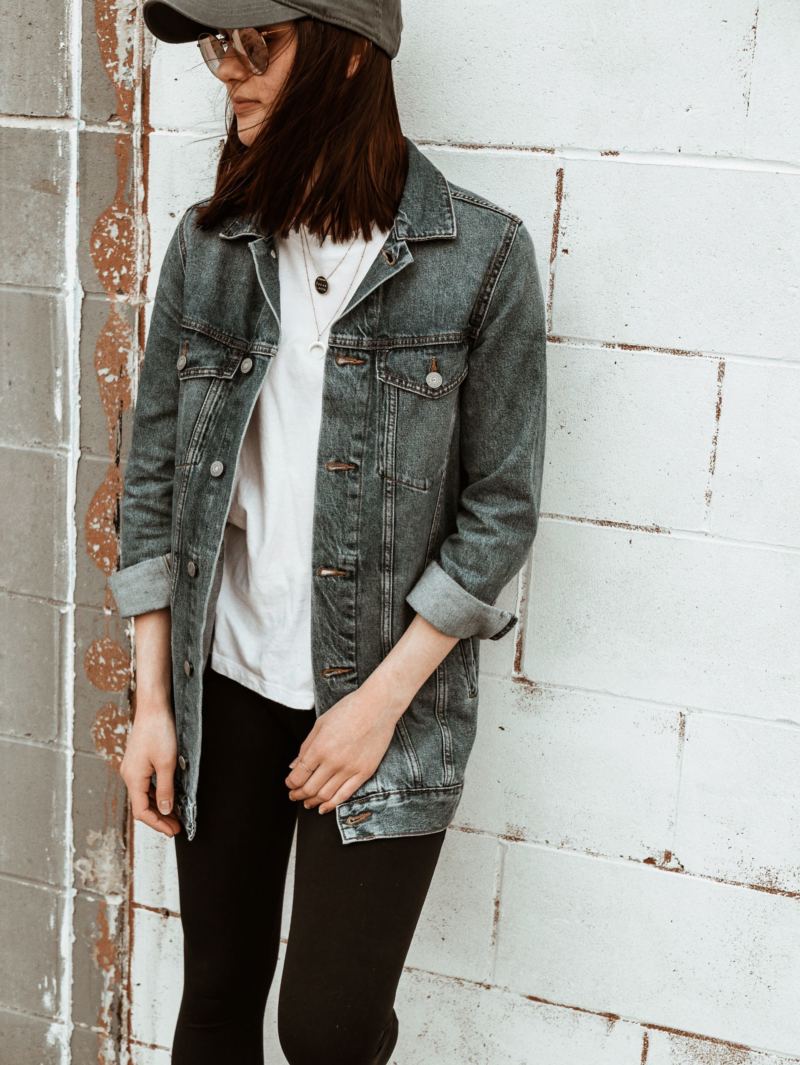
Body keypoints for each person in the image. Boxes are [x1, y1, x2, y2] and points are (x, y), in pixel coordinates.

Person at [108, 2, 547, 1062]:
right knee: (215, 1000)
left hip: (387, 707)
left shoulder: (478, 256)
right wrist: (154, 704)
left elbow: (500, 508)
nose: (229, 71)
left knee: (329, 1028)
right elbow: (155, 477)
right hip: (227, 693)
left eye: (256, 43)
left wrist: (373, 710)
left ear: (349, 61)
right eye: (218, 44)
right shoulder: (210, 246)